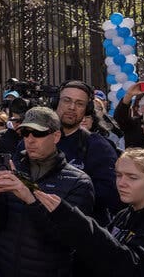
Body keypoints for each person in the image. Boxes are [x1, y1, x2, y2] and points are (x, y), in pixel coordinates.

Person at [0, 107, 95, 277]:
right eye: (26, 133)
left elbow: (68, 240)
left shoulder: (78, 182)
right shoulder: (13, 168)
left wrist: (31, 201)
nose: (30, 140)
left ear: (56, 136)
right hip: (4, 268)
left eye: (37, 133)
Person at [35, 148, 144, 276]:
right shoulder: (124, 215)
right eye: (119, 175)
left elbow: (130, 265)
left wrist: (71, 218)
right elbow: (96, 256)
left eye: (132, 177)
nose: (121, 183)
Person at [54, 80, 121, 225]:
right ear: (55, 103)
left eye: (79, 104)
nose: (72, 107)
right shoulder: (36, 138)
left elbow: (110, 195)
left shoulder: (98, 146)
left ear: (87, 110)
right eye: (67, 100)